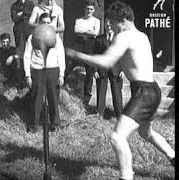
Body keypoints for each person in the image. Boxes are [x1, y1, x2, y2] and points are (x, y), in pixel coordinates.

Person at [65, 2, 175, 179]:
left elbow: (106, 63)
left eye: (113, 22)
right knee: (146, 133)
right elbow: (123, 65)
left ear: (123, 20)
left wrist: (77, 55)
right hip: (151, 90)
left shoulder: (124, 37)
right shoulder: (142, 36)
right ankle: (173, 157)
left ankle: (126, 177)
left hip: (143, 93)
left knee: (117, 137)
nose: (110, 26)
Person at [24, 13, 65, 133]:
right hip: (37, 70)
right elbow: (27, 56)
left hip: (53, 69)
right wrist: (28, 75)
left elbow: (61, 56)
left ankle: (55, 123)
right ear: (39, 23)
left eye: (48, 22)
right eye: (43, 22)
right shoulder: (32, 37)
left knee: (53, 97)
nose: (46, 25)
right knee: (36, 98)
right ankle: (34, 125)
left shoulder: (56, 37)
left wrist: (61, 74)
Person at [93, 18, 123, 119]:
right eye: (107, 25)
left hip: (116, 70)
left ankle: (119, 116)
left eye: (111, 25)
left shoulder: (120, 38)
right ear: (104, 25)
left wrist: (123, 70)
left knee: (117, 94)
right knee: (101, 93)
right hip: (102, 69)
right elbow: (95, 55)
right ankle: (100, 115)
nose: (109, 27)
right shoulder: (99, 39)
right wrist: (95, 70)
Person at [73, 0, 100, 109]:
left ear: (93, 10)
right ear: (84, 9)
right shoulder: (78, 20)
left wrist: (83, 31)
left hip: (90, 45)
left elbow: (95, 33)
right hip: (79, 45)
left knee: (89, 72)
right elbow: (76, 30)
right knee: (71, 64)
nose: (89, 11)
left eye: (91, 9)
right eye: (87, 8)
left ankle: (86, 97)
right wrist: (88, 31)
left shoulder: (96, 21)